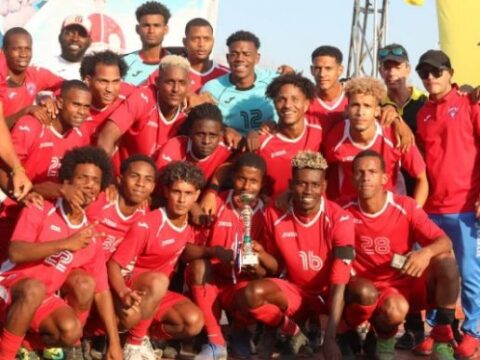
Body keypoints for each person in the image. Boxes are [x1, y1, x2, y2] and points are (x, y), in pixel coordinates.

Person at [0, 146, 122, 360]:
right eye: (82, 178)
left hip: (41, 299)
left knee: (71, 327)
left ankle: (26, 346)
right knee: (34, 288)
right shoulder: (39, 205)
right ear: (66, 182)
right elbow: (16, 253)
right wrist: (65, 244)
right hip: (9, 288)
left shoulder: (90, 235)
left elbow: (102, 292)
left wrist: (115, 343)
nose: (89, 185)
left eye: (95, 181)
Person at [340, 150, 459, 360]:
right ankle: (381, 338)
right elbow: (312, 204)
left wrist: (425, 253)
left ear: (385, 178)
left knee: (447, 263)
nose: (366, 177)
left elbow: (445, 241)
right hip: (372, 292)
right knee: (394, 308)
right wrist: (286, 197)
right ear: (352, 178)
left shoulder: (406, 206)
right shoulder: (342, 210)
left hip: (408, 282)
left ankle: (442, 340)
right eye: (360, 172)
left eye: (372, 172)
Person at [236, 151, 355, 359]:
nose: (308, 191)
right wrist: (260, 255)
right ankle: (292, 331)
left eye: (315, 185)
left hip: (327, 295)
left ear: (324, 186)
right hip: (294, 292)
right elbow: (274, 269)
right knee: (251, 293)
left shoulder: (340, 218)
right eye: (301, 184)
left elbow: (339, 279)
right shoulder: (273, 213)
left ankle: (348, 334)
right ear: (291, 185)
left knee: (362, 292)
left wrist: (330, 338)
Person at [415, 49, 480, 359]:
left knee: (469, 272)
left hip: (466, 206)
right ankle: (438, 329)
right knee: (430, 272)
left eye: (436, 71)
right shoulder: (423, 113)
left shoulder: (471, 103)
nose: (430, 77)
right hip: (432, 208)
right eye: (424, 72)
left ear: (450, 73)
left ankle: (473, 331)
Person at [107, 161, 205, 360]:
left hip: (158, 292)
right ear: (166, 192)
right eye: (176, 192)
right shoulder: (147, 224)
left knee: (193, 322)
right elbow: (114, 265)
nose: (181, 199)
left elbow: (189, 249)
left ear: (196, 196)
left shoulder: (192, 225)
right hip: (133, 288)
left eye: (188, 194)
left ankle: (145, 337)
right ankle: (133, 345)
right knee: (159, 281)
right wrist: (123, 292)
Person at [184, 153, 270, 359]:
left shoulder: (269, 212)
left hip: (242, 285)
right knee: (197, 267)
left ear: (262, 183)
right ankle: (215, 341)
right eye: (242, 178)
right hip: (212, 281)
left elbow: (273, 267)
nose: (246, 186)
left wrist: (256, 266)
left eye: (253, 181)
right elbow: (186, 251)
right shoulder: (214, 203)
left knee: (258, 286)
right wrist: (214, 251)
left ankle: (241, 330)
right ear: (232, 177)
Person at [324, 76, 428, 205]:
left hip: (390, 214)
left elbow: (422, 179)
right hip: (351, 213)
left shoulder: (395, 135)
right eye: (355, 105)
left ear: (377, 111)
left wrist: (412, 216)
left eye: (367, 106)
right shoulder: (336, 136)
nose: (360, 112)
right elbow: (324, 175)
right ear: (347, 109)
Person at [96, 55, 189, 165]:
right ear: (157, 82)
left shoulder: (186, 116)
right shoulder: (143, 98)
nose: (176, 89)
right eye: (170, 82)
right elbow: (106, 137)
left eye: (182, 83)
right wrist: (106, 179)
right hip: (120, 176)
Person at [201, 30, 279, 138]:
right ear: (228, 58)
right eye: (234, 54)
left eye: (246, 54)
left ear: (257, 58)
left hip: (269, 146)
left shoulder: (275, 80)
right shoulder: (212, 88)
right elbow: (202, 124)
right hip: (231, 148)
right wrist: (224, 130)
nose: (240, 59)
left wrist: (277, 124)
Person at [257, 73, 322, 199]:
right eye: (282, 99)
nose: (287, 105)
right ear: (275, 103)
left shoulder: (318, 127)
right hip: (277, 213)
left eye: (295, 99)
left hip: (314, 213)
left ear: (306, 104)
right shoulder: (263, 143)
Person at [147, 17, 229, 93]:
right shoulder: (165, 72)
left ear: (213, 41)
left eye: (206, 39)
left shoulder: (226, 75)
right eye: (195, 39)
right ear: (185, 42)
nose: (201, 44)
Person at [1, 27, 63, 126]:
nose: (23, 54)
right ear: (3, 51)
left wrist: (52, 98)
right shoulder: (2, 82)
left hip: (27, 138)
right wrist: (26, 111)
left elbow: (68, 86)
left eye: (27, 49)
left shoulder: (35, 73)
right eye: (17, 49)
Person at [155, 103, 232, 181]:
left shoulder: (227, 152)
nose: (206, 141)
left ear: (221, 135)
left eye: (213, 135)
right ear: (190, 133)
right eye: (200, 134)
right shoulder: (175, 146)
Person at [80, 49, 134, 138]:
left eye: (115, 81)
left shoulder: (130, 94)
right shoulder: (73, 101)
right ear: (88, 80)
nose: (110, 89)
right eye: (103, 81)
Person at [123, 1, 171, 85]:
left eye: (156, 25)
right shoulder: (124, 63)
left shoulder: (177, 64)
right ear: (137, 29)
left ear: (165, 29)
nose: (151, 31)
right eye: (146, 25)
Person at [306, 45, 348, 137]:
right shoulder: (304, 100)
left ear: (340, 70)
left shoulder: (353, 99)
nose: (322, 74)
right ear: (312, 70)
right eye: (318, 68)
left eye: (328, 68)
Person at [34, 14, 92, 80]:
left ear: (89, 42)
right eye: (70, 33)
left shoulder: (94, 74)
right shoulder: (41, 68)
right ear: (60, 37)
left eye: (82, 34)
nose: (75, 39)